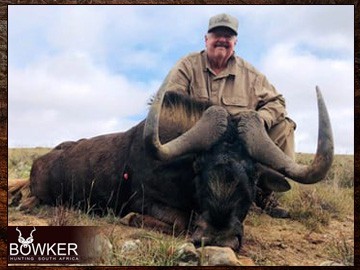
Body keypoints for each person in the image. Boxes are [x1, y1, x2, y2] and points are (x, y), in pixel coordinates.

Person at [162, 13, 296, 218]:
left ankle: (262, 193)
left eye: (229, 35)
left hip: (240, 144)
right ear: (206, 39)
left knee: (284, 125)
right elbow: (171, 104)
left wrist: (259, 121)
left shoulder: (251, 74)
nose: (222, 39)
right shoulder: (187, 65)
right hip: (203, 143)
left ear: (235, 42)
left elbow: (277, 102)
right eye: (217, 34)